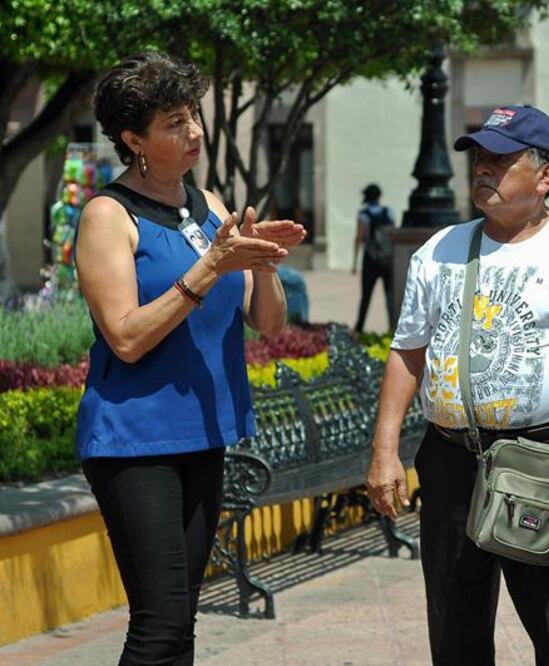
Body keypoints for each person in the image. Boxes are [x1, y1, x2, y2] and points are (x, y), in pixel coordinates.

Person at [365, 105, 549, 666]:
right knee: (454, 620)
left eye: (501, 159)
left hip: (543, 461)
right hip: (450, 458)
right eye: (479, 158)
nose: (482, 170)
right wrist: (385, 450)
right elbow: (407, 353)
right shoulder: (439, 250)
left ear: (546, 175)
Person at [75, 51, 306, 665]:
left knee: (183, 623)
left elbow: (268, 322)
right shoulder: (107, 216)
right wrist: (208, 269)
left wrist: (263, 262)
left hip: (204, 434)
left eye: (194, 115)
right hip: (133, 442)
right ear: (134, 140)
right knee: (159, 624)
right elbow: (125, 337)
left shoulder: (208, 203)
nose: (195, 130)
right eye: (174, 122)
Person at [352, 183, 395, 333]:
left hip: (370, 259)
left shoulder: (363, 215)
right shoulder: (388, 212)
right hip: (387, 259)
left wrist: (354, 263)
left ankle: (359, 328)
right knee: (390, 294)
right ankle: (393, 326)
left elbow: (359, 237)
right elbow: (393, 235)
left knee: (366, 295)